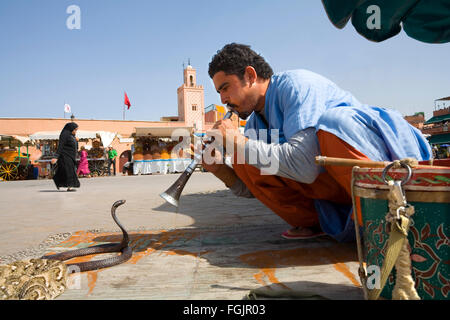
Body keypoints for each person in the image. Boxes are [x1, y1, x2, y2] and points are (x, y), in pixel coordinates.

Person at [202, 43, 432, 242]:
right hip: (338, 188)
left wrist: (235, 140)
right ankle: (324, 225)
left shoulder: (296, 86)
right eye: (219, 92)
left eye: (225, 88)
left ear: (250, 76)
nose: (223, 99)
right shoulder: (254, 125)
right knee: (246, 158)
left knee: (332, 123)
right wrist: (222, 170)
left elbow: (305, 167)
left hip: (380, 163)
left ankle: (389, 223)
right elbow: (261, 188)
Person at [51, 122, 80, 191]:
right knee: (70, 171)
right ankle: (70, 186)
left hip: (71, 156)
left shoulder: (72, 136)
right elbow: (60, 146)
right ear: (70, 128)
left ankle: (57, 179)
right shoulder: (64, 135)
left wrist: (77, 141)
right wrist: (56, 157)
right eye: (75, 130)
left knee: (63, 171)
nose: (75, 131)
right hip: (65, 156)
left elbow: (76, 147)